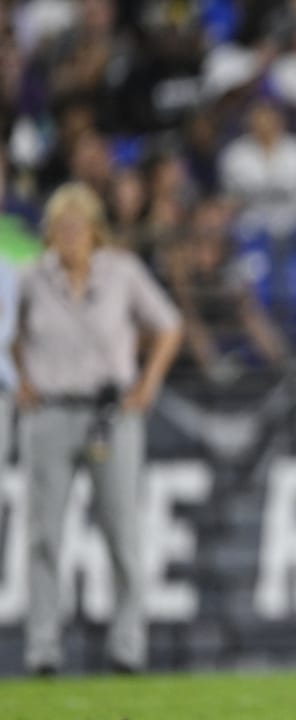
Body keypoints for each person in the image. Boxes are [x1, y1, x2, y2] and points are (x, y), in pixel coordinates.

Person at [17, 182, 183, 675]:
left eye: (78, 224)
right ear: (49, 233)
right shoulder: (31, 278)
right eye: (60, 226)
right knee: (43, 534)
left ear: (95, 230)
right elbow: (9, 334)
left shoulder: (122, 271)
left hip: (111, 416)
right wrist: (20, 381)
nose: (69, 234)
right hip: (49, 412)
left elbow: (168, 325)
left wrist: (147, 383)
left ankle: (127, 647)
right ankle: (42, 649)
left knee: (121, 533)